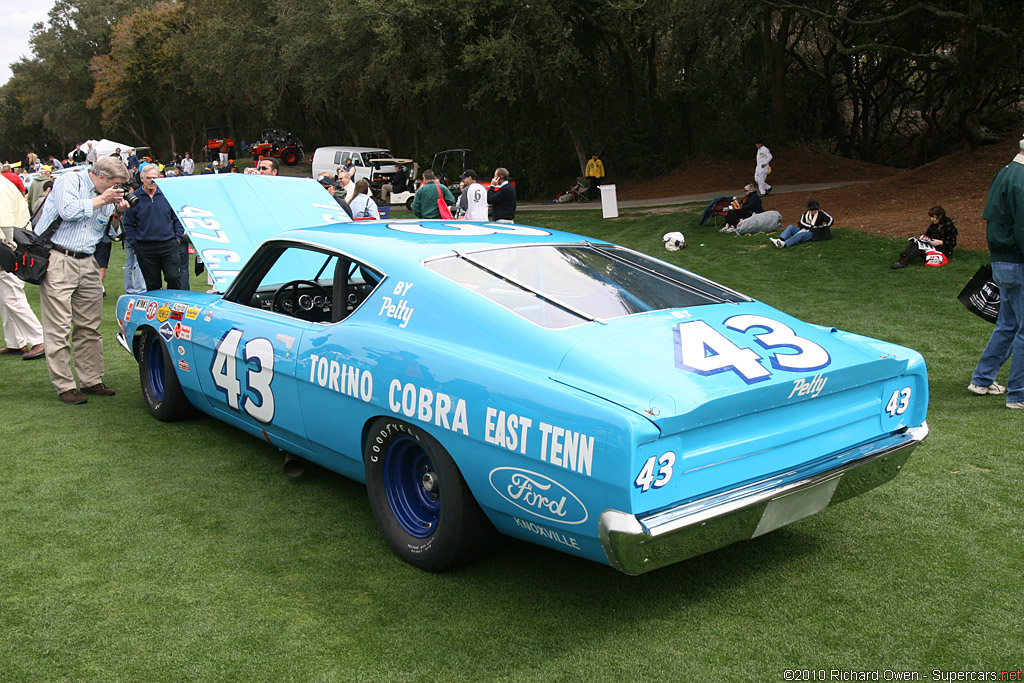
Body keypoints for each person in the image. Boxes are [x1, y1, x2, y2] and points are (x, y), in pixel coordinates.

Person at [34, 157, 130, 404]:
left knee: (90, 325)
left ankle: (91, 379)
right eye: (116, 184)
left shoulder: (107, 195)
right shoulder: (69, 180)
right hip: (58, 257)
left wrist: (117, 213)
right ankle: (65, 385)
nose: (118, 190)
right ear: (101, 177)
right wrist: (103, 200)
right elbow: (69, 211)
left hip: (89, 260)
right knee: (59, 327)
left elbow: (110, 234)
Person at [967, 139, 1024, 410]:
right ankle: (1019, 394)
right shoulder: (1020, 178)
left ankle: (982, 379)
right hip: (1017, 261)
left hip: (1002, 261)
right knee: (1018, 328)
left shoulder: (1004, 172)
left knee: (1009, 325)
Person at [0, 175, 46, 359]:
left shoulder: (1, 188)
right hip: (13, 245)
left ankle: (39, 339)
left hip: (10, 247)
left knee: (12, 296)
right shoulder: (5, 184)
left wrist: (6, 257)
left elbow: (5, 225)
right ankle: (15, 341)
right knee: (6, 297)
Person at [123, 163, 185, 291]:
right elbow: (128, 223)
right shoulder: (135, 198)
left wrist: (177, 238)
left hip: (168, 245)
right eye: (148, 178)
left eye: (155, 178)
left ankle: (173, 305)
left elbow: (177, 218)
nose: (152, 181)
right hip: (145, 247)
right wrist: (135, 244)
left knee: (173, 277)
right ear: (142, 179)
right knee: (152, 284)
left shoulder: (167, 195)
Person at [889, 206, 958, 268]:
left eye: (933, 217)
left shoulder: (949, 226)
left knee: (920, 246)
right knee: (916, 242)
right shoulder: (934, 225)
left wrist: (940, 242)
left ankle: (904, 261)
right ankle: (902, 258)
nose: (932, 219)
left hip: (943, 250)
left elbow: (952, 243)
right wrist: (924, 238)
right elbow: (928, 234)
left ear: (940, 216)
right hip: (932, 246)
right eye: (931, 217)